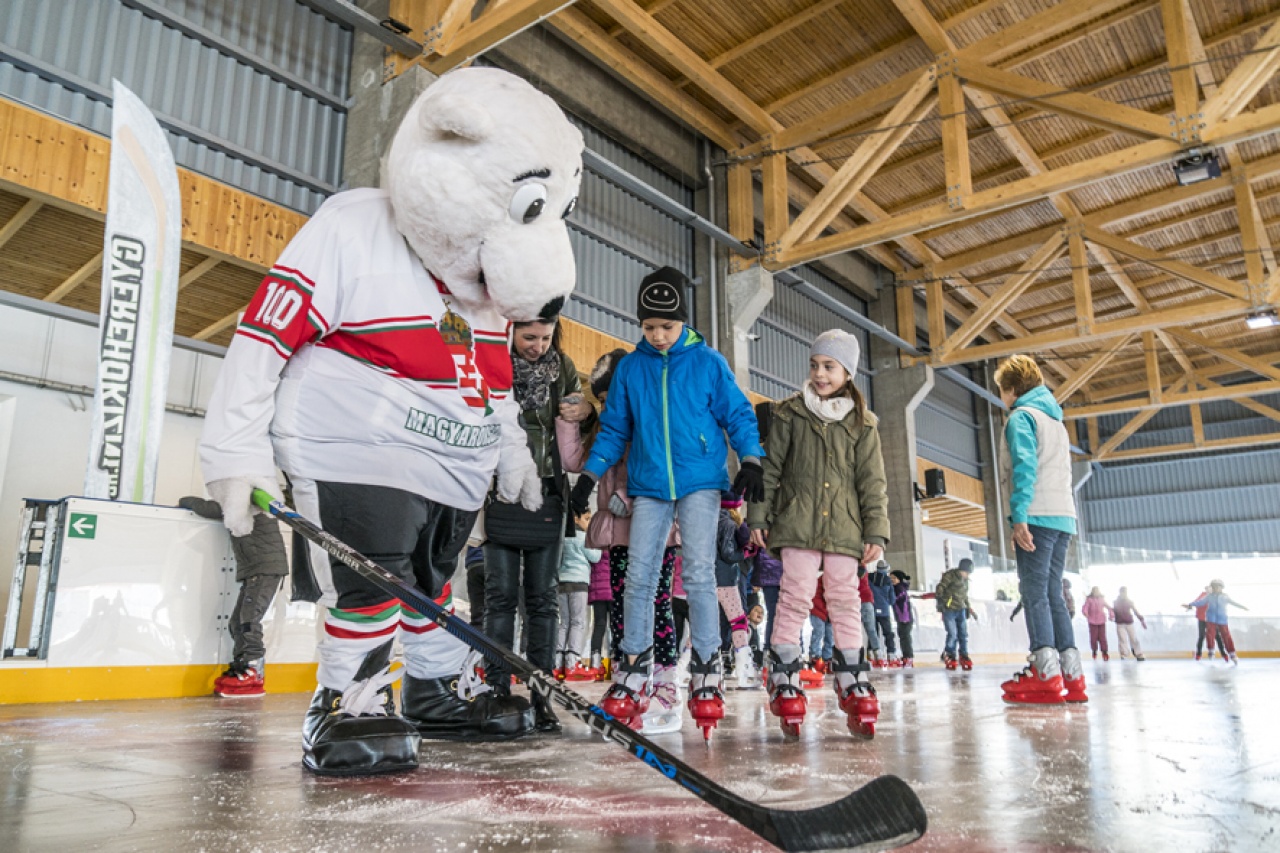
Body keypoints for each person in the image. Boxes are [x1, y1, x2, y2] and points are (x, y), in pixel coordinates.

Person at [570, 267, 765, 740]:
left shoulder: (707, 363)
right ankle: (633, 668)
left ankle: (704, 671)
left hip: (701, 482)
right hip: (650, 484)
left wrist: (752, 458)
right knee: (639, 575)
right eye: (649, 326)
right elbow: (615, 428)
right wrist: (589, 476)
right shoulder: (633, 368)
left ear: (683, 323)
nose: (657, 336)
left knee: (698, 574)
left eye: (667, 327)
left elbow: (737, 413)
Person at [748, 329, 890, 739]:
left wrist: (876, 531)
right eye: (814, 365)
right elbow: (769, 468)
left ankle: (851, 673)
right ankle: (784, 670)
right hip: (796, 522)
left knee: (845, 601)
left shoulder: (864, 424)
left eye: (829, 366)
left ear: (847, 372)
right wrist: (758, 515)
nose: (820, 373)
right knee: (795, 596)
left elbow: (872, 483)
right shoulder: (790, 414)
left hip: (846, 527)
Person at [484, 317, 595, 733]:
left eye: (546, 338)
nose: (538, 346)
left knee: (543, 601)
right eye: (529, 337)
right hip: (504, 490)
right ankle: (496, 689)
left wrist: (586, 412)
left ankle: (541, 693)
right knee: (500, 597)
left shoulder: (562, 366)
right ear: (510, 331)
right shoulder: (493, 360)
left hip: (549, 493)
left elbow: (574, 422)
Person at [564, 347, 683, 734]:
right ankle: (627, 677)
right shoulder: (605, 429)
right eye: (601, 399)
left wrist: (631, 500)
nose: (607, 405)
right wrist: (572, 420)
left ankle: (665, 684)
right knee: (621, 607)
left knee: (657, 606)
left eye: (610, 397)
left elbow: (663, 469)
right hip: (617, 535)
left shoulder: (652, 421)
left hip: (658, 533)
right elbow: (574, 462)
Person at [994, 353, 1085, 705]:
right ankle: (1072, 675)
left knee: (1034, 593)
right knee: (1053, 594)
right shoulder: (1055, 422)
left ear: (1012, 389)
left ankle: (1044, 673)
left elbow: (1024, 468)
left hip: (1037, 516)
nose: (1001, 397)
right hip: (1064, 517)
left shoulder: (1022, 417)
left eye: (1001, 391)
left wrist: (1019, 517)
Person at [179, 494, 288, 697]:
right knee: (237, 623)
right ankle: (242, 665)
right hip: (257, 570)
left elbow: (209, 508)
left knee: (248, 622)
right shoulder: (247, 499)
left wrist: (186, 501)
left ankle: (254, 670)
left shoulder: (247, 498)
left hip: (264, 569)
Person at [717, 492, 758, 688]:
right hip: (726, 579)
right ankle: (744, 669)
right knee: (739, 622)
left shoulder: (709, 520)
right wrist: (746, 552)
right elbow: (728, 554)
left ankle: (690, 666)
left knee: (710, 622)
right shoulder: (727, 523)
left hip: (710, 580)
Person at [555, 510, 600, 680]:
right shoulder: (583, 538)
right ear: (576, 519)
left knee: (564, 622)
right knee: (578, 622)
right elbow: (595, 557)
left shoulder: (562, 538)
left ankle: (558, 663)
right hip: (579, 584)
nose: (589, 522)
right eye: (587, 519)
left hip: (561, 582)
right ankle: (572, 664)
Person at [927, 559, 977, 670]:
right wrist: (942, 602)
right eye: (966, 572)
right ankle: (949, 653)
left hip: (961, 609)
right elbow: (940, 587)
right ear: (961, 569)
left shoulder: (965, 581)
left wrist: (969, 608)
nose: (967, 575)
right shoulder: (950, 575)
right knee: (952, 633)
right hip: (949, 610)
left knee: (963, 634)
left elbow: (964, 596)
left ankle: (963, 654)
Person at [1186, 580, 1248, 665]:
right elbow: (1200, 602)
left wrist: (1243, 607)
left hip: (1222, 619)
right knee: (1210, 634)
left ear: (1221, 588)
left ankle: (1232, 654)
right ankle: (1211, 650)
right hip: (1211, 618)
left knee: (1226, 636)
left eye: (1218, 587)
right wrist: (1191, 604)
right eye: (1214, 587)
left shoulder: (1225, 597)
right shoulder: (1209, 596)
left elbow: (1233, 603)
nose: (1216, 588)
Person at [585, 551, 612, 680]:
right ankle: (616, 662)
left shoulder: (595, 550)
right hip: (613, 592)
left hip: (598, 593)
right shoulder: (616, 547)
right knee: (615, 627)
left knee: (599, 626)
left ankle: (595, 663)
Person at [868, 561, 899, 667]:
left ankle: (873, 655)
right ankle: (891, 655)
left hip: (872, 609)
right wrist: (886, 603)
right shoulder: (888, 581)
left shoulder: (869, 578)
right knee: (888, 633)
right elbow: (892, 598)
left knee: (873, 633)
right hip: (884, 610)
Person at [1186, 584, 1228, 660]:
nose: (1208, 590)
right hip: (1202, 619)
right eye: (1207, 589)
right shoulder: (1203, 595)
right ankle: (1198, 654)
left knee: (1217, 636)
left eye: (1210, 589)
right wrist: (1190, 606)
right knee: (1201, 636)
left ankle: (1223, 654)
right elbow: (1197, 602)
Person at [1112, 587, 1147, 661]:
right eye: (1122, 592)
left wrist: (1141, 619)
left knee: (1133, 638)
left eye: (1125, 592)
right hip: (1120, 623)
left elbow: (1135, 611)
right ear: (1120, 593)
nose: (1123, 594)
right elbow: (1113, 611)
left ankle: (1138, 653)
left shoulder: (1129, 601)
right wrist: (1111, 615)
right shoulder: (1116, 602)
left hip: (1129, 623)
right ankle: (1124, 653)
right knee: (1122, 639)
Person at [890, 570, 915, 668]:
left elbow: (895, 599)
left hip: (905, 617)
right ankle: (906, 656)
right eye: (890, 578)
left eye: (894, 578)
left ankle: (908, 657)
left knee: (905, 637)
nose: (892, 580)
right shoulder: (900, 587)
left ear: (899, 579)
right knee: (904, 637)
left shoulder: (899, 588)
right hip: (902, 617)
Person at [1082, 587, 1113, 660]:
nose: (1096, 593)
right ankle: (1094, 651)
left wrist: (1111, 615)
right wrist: (1085, 613)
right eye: (1095, 591)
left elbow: (1109, 607)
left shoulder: (1102, 599)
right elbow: (1085, 608)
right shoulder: (1089, 600)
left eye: (1097, 591)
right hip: (1092, 621)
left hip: (1101, 620)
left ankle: (1105, 652)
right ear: (1092, 592)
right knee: (1094, 638)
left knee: (1102, 638)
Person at [464, 544, 486, 629]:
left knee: (478, 618)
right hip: (497, 563)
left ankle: (475, 640)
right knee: (497, 616)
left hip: (474, 562)